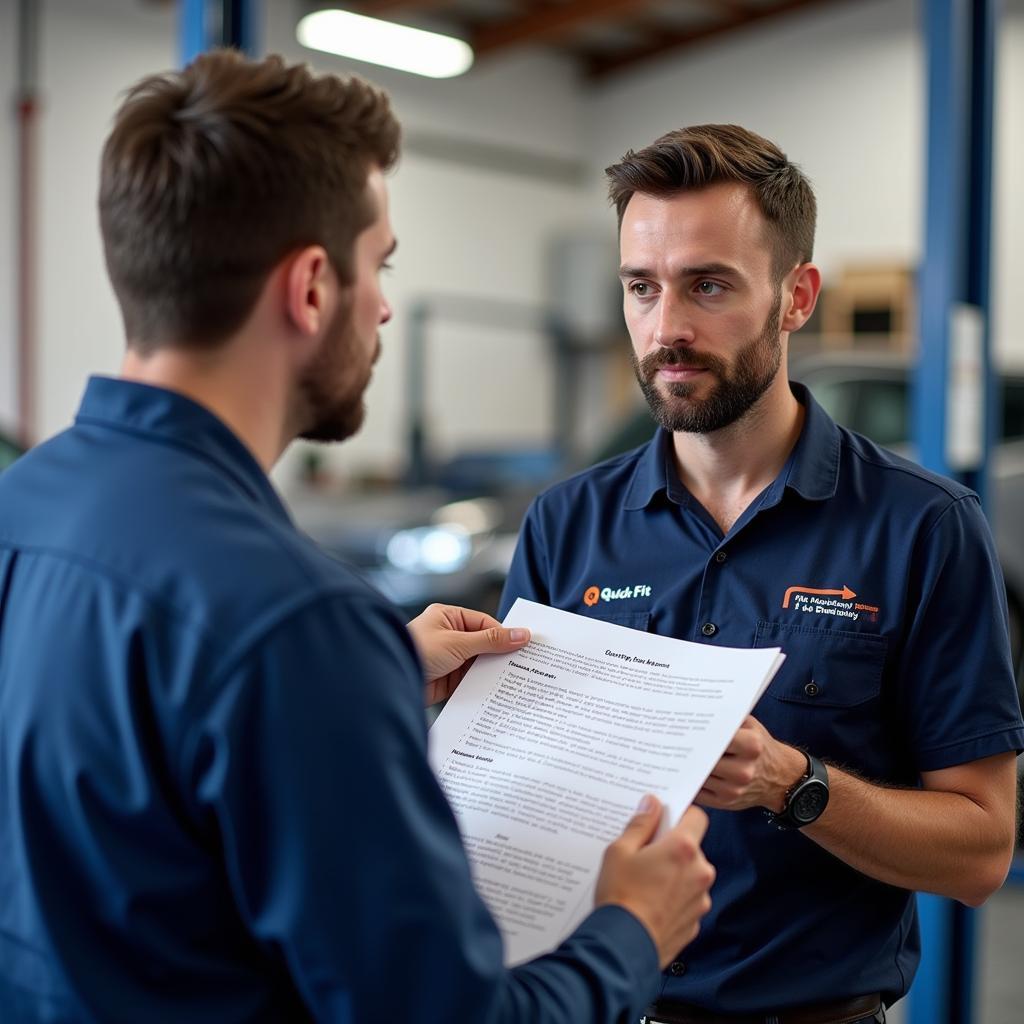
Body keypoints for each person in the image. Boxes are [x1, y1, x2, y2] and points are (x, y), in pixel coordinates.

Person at [0, 51, 718, 1023]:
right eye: (376, 265)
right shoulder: (293, 624)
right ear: (308, 288)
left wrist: (365, 668)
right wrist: (630, 929)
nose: (382, 305)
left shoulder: (25, 504)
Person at [499, 124, 1024, 1023]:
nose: (667, 328)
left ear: (796, 296)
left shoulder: (923, 528)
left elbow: (979, 852)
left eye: (708, 285)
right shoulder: (566, 523)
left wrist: (790, 781)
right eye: (641, 288)